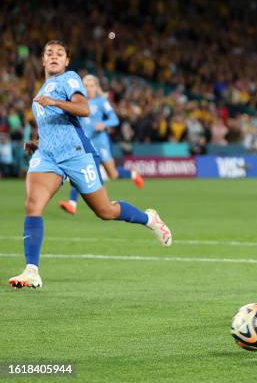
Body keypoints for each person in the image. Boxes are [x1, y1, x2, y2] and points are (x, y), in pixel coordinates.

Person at [8, 40, 172, 289]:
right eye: (49, 53)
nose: (54, 56)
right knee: (32, 205)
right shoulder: (41, 91)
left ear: (66, 61)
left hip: (77, 154)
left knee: (105, 211)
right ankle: (32, 270)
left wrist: (55, 102)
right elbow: (51, 128)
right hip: (49, 157)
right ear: (42, 60)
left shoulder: (69, 79)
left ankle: (149, 219)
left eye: (59, 54)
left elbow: (83, 109)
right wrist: (36, 143)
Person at [58, 74, 144, 215]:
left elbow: (114, 120)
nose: (89, 88)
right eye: (86, 86)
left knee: (113, 174)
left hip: (101, 143)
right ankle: (72, 203)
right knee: (83, 171)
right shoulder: (78, 103)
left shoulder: (101, 102)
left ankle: (132, 174)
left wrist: (104, 124)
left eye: (91, 86)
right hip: (86, 145)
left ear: (96, 87)